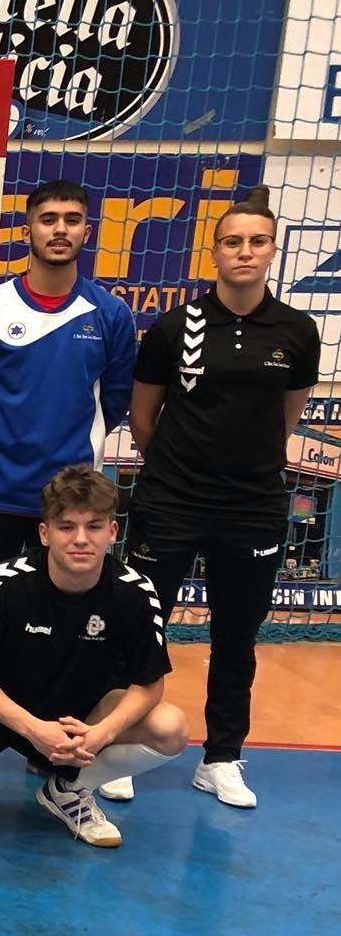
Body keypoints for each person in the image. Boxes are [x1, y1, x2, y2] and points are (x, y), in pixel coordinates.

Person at [0, 180, 136, 782]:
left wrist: (68, 454)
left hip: (70, 508)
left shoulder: (110, 316)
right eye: (48, 218)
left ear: (87, 230)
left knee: (71, 630)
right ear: (27, 228)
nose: (59, 229)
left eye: (72, 219)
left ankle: (60, 745)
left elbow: (114, 399)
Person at [117, 187, 319, 807]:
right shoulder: (174, 327)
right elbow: (143, 416)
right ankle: (120, 745)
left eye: (257, 241)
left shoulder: (297, 330)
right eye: (233, 242)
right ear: (214, 252)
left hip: (252, 507)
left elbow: (287, 415)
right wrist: (178, 471)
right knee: (141, 627)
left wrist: (243, 467)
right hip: (171, 502)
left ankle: (222, 757)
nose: (245, 252)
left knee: (237, 637)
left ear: (273, 250)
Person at [0, 467, 187, 847]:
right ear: (44, 533)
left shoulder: (135, 591)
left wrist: (102, 733)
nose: (80, 539)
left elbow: (150, 683)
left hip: (84, 720)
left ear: (112, 532)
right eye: (66, 527)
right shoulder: (6, 581)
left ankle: (70, 790)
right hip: (4, 715)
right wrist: (32, 728)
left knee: (170, 727)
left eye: (94, 526)